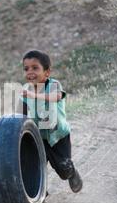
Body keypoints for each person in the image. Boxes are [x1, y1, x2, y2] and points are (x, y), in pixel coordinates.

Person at [17, 49, 83, 193]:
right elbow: (20, 113)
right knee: (35, 166)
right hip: (39, 136)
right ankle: (39, 191)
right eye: (26, 68)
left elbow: (56, 97)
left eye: (35, 68)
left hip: (58, 135)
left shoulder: (53, 85)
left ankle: (71, 172)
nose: (30, 72)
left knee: (63, 168)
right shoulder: (26, 90)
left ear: (47, 72)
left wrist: (33, 95)